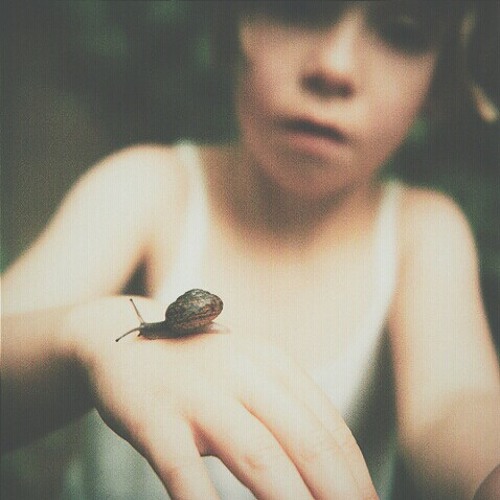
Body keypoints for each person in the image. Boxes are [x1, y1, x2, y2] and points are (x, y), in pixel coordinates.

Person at [2, 2, 499, 499]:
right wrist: (83, 340)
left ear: (440, 80)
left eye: (403, 32)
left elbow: (454, 404)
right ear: (229, 25)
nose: (334, 66)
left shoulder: (424, 234)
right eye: (299, 10)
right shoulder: (145, 190)